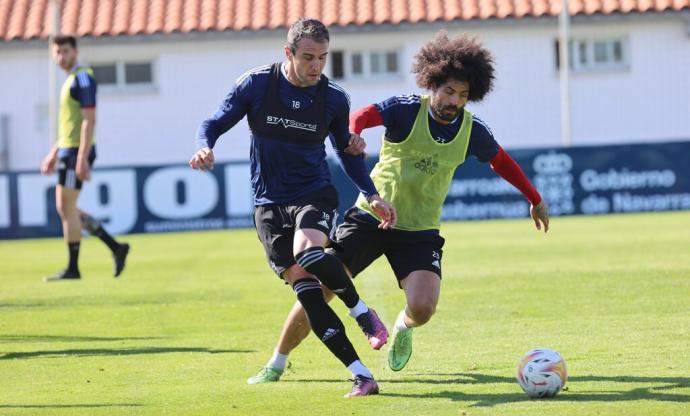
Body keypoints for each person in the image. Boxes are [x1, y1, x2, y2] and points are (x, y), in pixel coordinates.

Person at [247, 31, 550, 381]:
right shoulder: (406, 109)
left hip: (419, 230)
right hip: (370, 218)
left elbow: (500, 161)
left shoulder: (472, 130)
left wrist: (535, 198)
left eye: (464, 95)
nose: (455, 100)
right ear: (432, 83)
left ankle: (402, 327)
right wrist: (354, 132)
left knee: (423, 308)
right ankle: (277, 361)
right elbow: (362, 115)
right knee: (319, 288)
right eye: (449, 91)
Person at [189, 19, 397, 397]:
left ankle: (362, 312)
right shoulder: (257, 84)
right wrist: (206, 145)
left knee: (310, 253)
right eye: (308, 57)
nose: (316, 66)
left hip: (313, 192)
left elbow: (346, 153)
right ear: (288, 53)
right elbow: (214, 122)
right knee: (308, 296)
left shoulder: (333, 98)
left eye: (322, 57)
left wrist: (372, 193)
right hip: (268, 204)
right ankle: (362, 374)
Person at [40, 35, 130, 282]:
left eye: (65, 51)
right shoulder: (70, 79)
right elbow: (71, 125)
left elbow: (89, 120)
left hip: (77, 152)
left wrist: (82, 158)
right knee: (67, 208)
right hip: (68, 150)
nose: (61, 57)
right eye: (57, 52)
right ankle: (115, 246)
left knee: (65, 208)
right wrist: (54, 152)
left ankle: (73, 269)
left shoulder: (82, 78)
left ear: (75, 51)